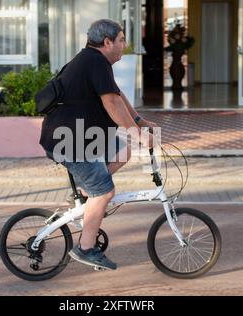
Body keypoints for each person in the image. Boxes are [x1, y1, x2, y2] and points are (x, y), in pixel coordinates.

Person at [40, 19, 158, 271]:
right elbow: (111, 104)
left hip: (84, 136)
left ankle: (86, 191)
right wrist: (138, 134)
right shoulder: (95, 61)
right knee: (104, 192)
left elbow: (116, 95)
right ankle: (85, 248)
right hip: (70, 141)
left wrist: (138, 120)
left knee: (123, 151)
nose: (125, 45)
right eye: (122, 40)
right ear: (107, 42)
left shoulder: (95, 61)